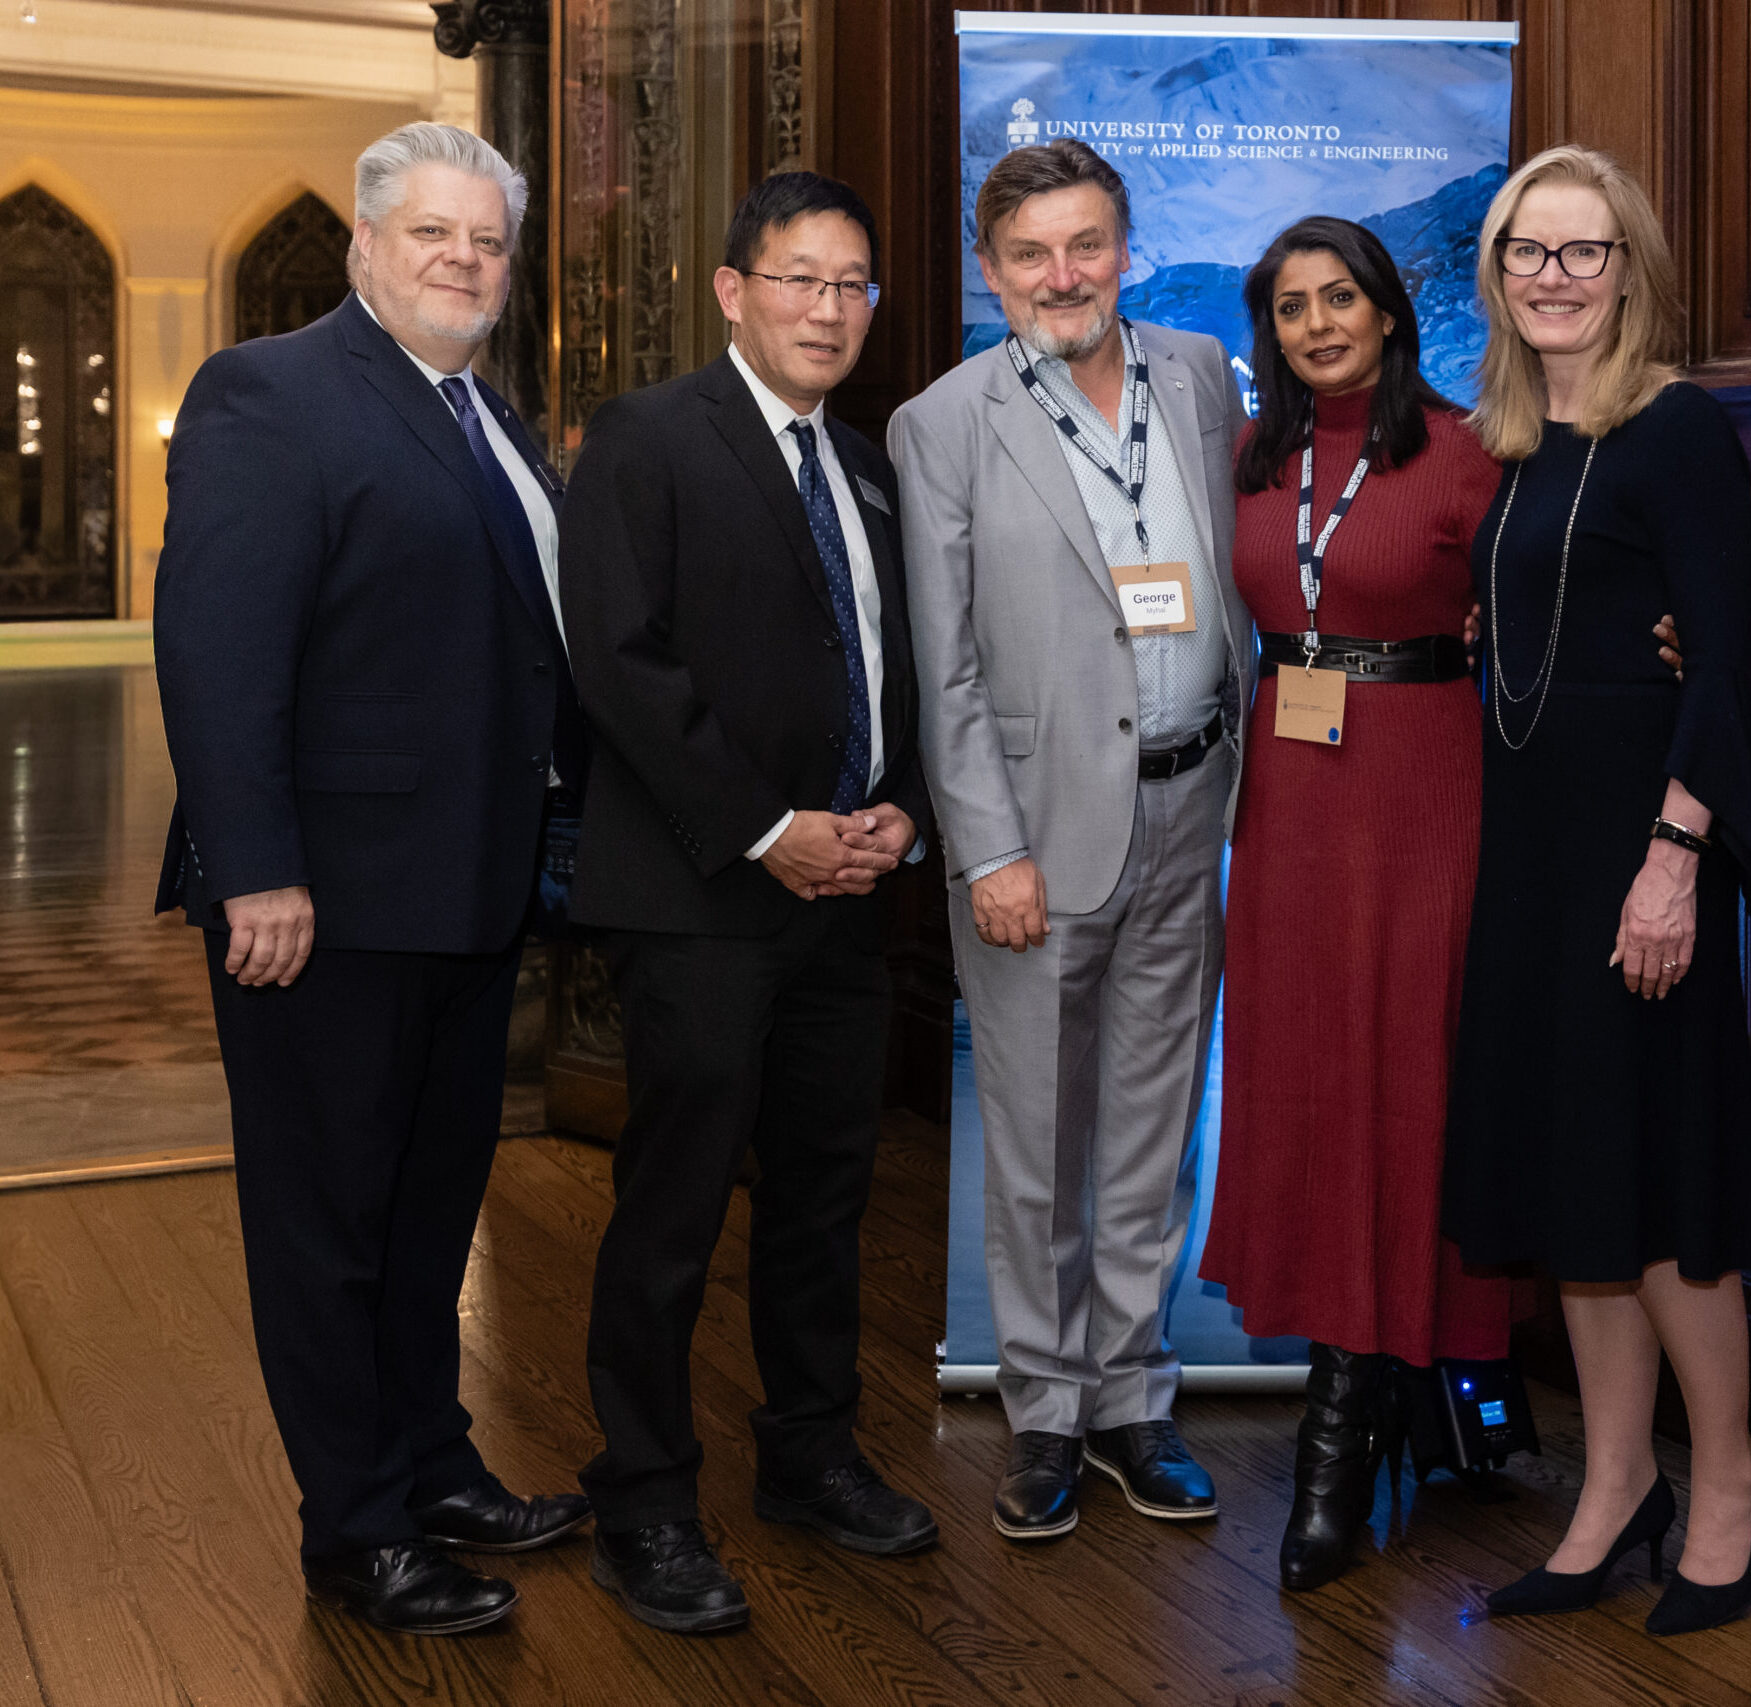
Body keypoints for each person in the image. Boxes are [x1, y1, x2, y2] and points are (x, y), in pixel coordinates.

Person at [152, 121, 590, 1637]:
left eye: (487, 242)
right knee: (326, 1226)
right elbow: (217, 652)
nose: (465, 261)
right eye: (433, 235)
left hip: (466, 893)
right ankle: (355, 1531)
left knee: (425, 1211)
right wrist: (254, 870)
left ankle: (433, 1469)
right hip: (322, 906)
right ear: (364, 245)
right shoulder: (269, 392)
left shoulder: (487, 413)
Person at [558, 171, 938, 1636]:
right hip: (703, 896)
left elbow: (888, 664)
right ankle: (643, 1501)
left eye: (852, 285)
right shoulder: (648, 438)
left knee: (824, 1197)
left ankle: (810, 1457)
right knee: (672, 1209)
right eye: (798, 279)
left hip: (848, 897)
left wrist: (900, 804)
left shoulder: (872, 468)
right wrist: (767, 829)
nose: (827, 310)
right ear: (732, 291)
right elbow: (620, 661)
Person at [1440, 144, 1751, 1636]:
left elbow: (1721, 667)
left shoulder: (1678, 430)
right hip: (1531, 853)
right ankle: (1612, 1488)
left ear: (1628, 268)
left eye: (1582, 251)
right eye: (1528, 251)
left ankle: (1726, 1480)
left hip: (1641, 855)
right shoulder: (1516, 443)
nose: (1553, 277)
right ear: (1497, 272)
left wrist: (1672, 862)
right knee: (1577, 1179)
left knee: (1662, 1188)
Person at [891, 139, 1253, 1542]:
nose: (1063, 276)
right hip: (1036, 834)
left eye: (1086, 244)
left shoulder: (1202, 376)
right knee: (1038, 1138)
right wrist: (987, 852)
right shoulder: (944, 422)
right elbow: (945, 667)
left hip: (1192, 804)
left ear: (1126, 248)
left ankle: (1131, 1400)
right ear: (990, 272)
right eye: (1031, 254)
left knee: (1152, 1133)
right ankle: (1044, 1409)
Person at [1195, 217, 1514, 1593]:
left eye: (1340, 299)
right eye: (1289, 307)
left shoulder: (1463, 451)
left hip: (1422, 799)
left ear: (1389, 311)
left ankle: (1343, 1432)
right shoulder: (1249, 459)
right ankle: (1388, 1392)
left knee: (1406, 1086)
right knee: (1311, 1087)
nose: (1316, 324)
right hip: (1289, 805)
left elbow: (1546, 611)